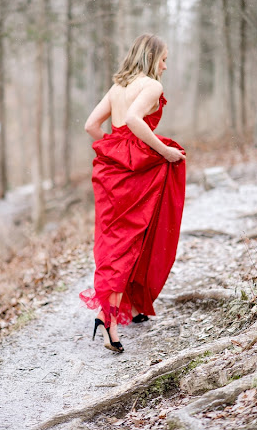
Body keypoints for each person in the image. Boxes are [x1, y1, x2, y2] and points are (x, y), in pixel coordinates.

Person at [80, 34, 186, 352]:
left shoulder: (117, 88)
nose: (166, 66)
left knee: (115, 242)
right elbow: (134, 120)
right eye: (164, 58)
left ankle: (125, 309)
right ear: (151, 57)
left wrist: (114, 149)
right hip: (136, 172)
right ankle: (109, 320)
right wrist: (164, 151)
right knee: (131, 241)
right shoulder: (151, 86)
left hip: (111, 173)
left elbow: (91, 126)